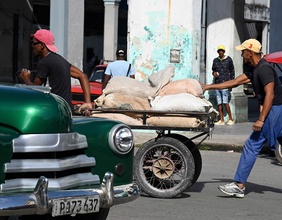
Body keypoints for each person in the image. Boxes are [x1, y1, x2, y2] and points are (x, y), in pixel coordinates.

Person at [202, 39, 282, 198]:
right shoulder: (254, 70)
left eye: (243, 51)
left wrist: (260, 119)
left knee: (252, 145)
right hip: (275, 110)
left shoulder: (264, 69)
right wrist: (207, 87)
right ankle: (239, 184)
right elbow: (233, 82)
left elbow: (270, 95)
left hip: (275, 111)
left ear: (250, 52)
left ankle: (239, 185)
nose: (241, 53)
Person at [20, 29, 92, 114]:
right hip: (67, 110)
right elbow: (83, 76)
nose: (32, 46)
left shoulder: (44, 62)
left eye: (34, 44)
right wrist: (88, 103)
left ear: (42, 45)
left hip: (56, 111)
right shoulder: (60, 60)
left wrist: (25, 79)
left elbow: (36, 89)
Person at [212, 45, 235, 125]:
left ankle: (231, 119)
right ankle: (221, 119)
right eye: (219, 51)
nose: (220, 52)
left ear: (224, 52)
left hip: (225, 83)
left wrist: (231, 83)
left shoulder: (228, 60)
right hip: (217, 83)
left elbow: (232, 71)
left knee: (225, 102)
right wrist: (214, 73)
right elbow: (213, 70)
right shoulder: (215, 60)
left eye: (222, 51)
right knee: (219, 102)